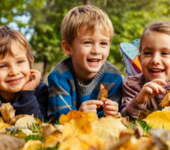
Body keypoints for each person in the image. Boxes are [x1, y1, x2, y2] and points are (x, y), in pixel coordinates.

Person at [48, 5, 123, 121]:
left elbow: (109, 119)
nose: (96, 51)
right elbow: (58, 117)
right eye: (88, 42)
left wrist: (110, 113)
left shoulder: (114, 77)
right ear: (68, 48)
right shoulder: (59, 77)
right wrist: (79, 115)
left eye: (103, 43)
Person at [121, 20, 170, 119]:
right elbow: (124, 118)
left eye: (165, 53)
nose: (155, 60)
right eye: (148, 53)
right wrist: (139, 101)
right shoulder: (132, 85)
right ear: (140, 59)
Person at [0, 26, 48, 120]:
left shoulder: (41, 91)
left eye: (20, 62)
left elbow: (38, 125)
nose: (14, 72)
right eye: (2, 66)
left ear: (30, 63)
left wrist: (27, 94)